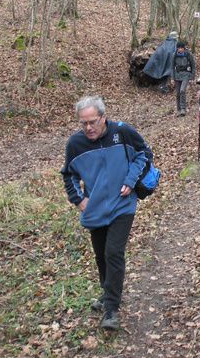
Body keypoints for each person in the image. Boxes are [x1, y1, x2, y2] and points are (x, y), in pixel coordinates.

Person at [61, 96, 150, 331]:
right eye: (83, 123)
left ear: (103, 117)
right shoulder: (75, 144)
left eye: (93, 122)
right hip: (96, 209)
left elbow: (144, 154)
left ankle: (111, 308)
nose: (88, 128)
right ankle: (107, 290)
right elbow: (68, 174)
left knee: (113, 252)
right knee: (101, 255)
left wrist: (131, 181)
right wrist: (78, 200)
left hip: (123, 204)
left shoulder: (122, 133)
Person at [172, 41, 195, 116]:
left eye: (182, 48)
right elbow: (172, 67)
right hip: (177, 75)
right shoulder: (174, 55)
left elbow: (193, 65)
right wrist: (173, 77)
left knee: (182, 90)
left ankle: (183, 108)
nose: (180, 49)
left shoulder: (188, 54)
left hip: (186, 75)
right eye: (179, 48)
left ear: (184, 48)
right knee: (178, 93)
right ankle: (178, 109)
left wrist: (192, 75)